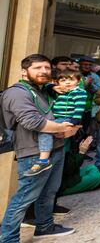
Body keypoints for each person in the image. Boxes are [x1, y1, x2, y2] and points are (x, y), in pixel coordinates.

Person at [0, 54, 80, 241]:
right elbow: (33, 121)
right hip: (33, 152)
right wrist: (63, 128)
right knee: (24, 197)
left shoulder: (42, 89)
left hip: (55, 147)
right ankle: (8, 238)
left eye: (46, 67)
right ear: (24, 71)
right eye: (37, 68)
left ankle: (44, 227)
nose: (43, 71)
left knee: (48, 192)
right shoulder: (17, 93)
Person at [27, 69, 87, 176]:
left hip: (66, 118)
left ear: (78, 81)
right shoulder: (60, 91)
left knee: (45, 131)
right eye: (63, 80)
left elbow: (79, 108)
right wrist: (53, 87)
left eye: (71, 80)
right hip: (56, 118)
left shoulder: (79, 92)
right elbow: (45, 86)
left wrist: (74, 122)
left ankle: (43, 160)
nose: (67, 83)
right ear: (58, 82)